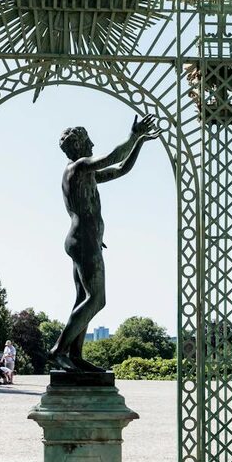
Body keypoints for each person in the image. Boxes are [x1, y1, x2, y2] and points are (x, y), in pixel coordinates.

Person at [48, 114, 162, 371]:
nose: (92, 145)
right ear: (78, 146)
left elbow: (121, 169)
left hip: (86, 240)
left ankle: (74, 356)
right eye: (88, 141)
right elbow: (112, 158)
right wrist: (132, 136)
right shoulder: (77, 167)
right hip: (83, 240)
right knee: (97, 299)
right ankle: (58, 350)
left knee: (83, 300)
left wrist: (139, 143)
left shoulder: (85, 173)